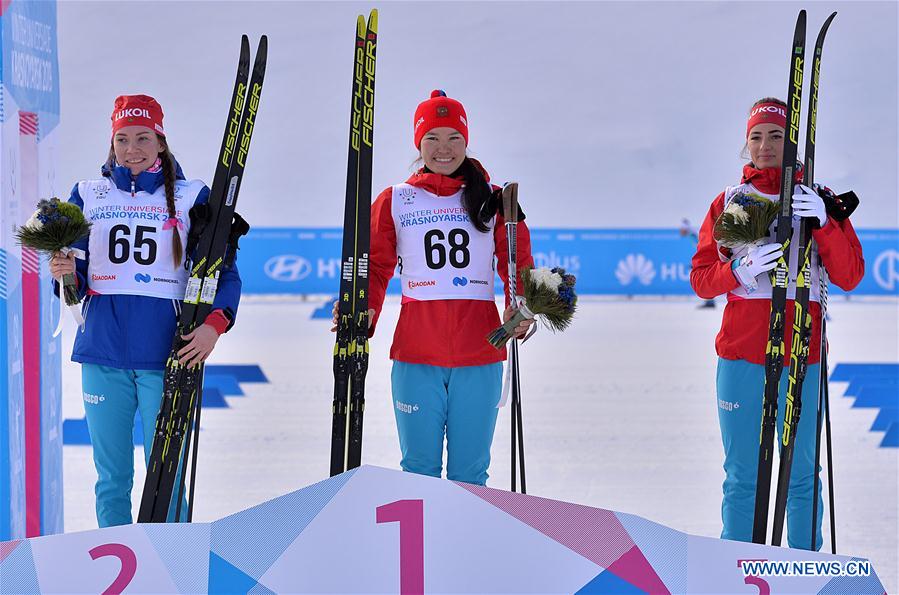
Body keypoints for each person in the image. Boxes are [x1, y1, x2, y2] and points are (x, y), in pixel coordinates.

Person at [48, 95, 242, 527]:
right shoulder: (87, 194)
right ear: (112, 142)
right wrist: (63, 274)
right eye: (123, 139)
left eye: (143, 137)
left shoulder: (193, 197)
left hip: (168, 355)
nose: (132, 148)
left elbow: (224, 273)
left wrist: (214, 325)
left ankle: (176, 572)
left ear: (160, 141)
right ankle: (117, 571)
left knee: (168, 478)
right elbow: (72, 289)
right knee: (111, 478)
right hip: (102, 355)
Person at [690, 97, 863, 549]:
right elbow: (701, 280)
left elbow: (849, 275)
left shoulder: (819, 199)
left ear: (792, 143)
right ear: (745, 145)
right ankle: (738, 570)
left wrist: (824, 222)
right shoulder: (729, 201)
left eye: (775, 135)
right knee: (744, 475)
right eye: (755, 137)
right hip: (742, 357)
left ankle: (804, 572)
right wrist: (739, 271)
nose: (764, 146)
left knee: (802, 474)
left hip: (801, 356)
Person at [366, 89, 534, 486]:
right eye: (433, 139)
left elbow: (518, 263)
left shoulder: (493, 199)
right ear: (418, 144)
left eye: (453, 138)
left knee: (469, 475)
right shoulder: (396, 200)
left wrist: (519, 308)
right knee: (418, 472)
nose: (444, 149)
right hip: (416, 354)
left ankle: (467, 549)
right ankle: (422, 551)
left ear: (466, 141)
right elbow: (375, 267)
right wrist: (364, 311)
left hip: (480, 352)